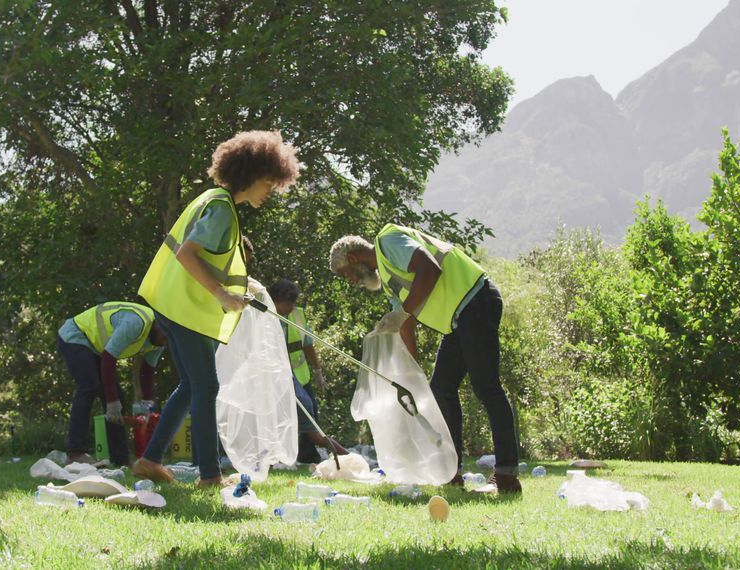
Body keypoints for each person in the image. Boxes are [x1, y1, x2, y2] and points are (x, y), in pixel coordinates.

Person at [132, 130, 300, 487]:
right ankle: (210, 475)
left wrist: (239, 286)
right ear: (251, 174)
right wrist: (223, 295)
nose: (270, 191)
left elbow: (208, 259)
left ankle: (150, 460)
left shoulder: (215, 200)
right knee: (207, 386)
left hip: (173, 305)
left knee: (193, 386)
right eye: (269, 182)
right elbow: (187, 253)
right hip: (184, 309)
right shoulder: (222, 210)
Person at [328, 225, 521, 493]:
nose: (352, 281)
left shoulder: (387, 241)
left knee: (487, 387)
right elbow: (406, 326)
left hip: (476, 300)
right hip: (458, 319)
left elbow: (429, 268)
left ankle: (507, 475)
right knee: (441, 389)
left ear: (352, 259)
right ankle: (452, 473)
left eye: (346, 275)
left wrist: (402, 313)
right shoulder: (388, 278)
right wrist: (411, 376)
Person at [56, 301, 167, 466]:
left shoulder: (160, 339)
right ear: (160, 327)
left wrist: (148, 404)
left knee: (117, 396)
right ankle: (76, 452)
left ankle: (121, 459)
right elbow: (108, 358)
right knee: (89, 386)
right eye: (165, 339)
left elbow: (147, 371)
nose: (166, 344)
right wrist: (111, 401)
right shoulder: (136, 323)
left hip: (96, 347)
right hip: (76, 335)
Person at [267, 278, 340, 463]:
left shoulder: (297, 315)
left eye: (292, 304)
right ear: (274, 301)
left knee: (310, 415)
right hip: (278, 378)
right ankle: (280, 457)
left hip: (301, 375)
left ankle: (307, 456)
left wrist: (318, 372)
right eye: (286, 304)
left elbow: (308, 345)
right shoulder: (265, 318)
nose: (290, 308)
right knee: (287, 418)